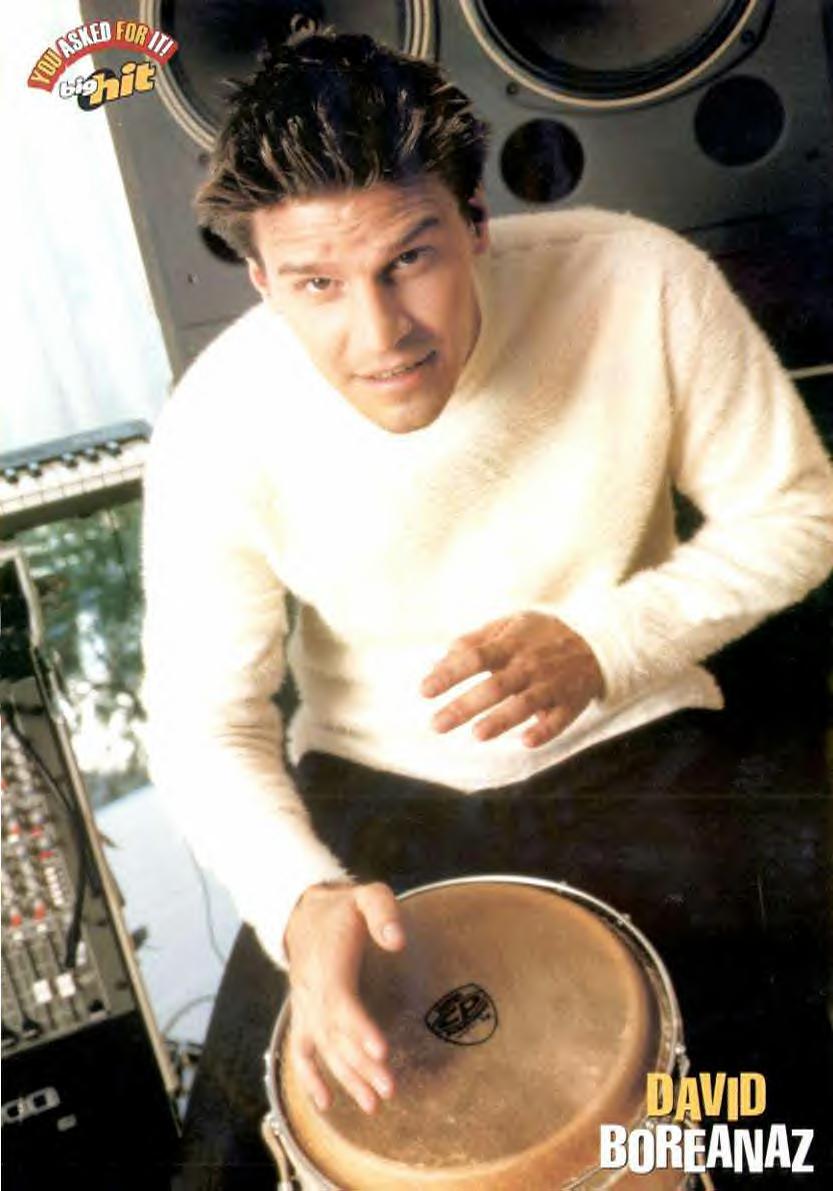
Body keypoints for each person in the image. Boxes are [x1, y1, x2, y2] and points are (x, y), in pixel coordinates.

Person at [143, 27, 833, 1186]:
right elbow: (203, 722)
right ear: (260, 280)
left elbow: (799, 513)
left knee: (767, 1121)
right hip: (373, 791)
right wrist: (297, 899)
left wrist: (607, 642)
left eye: (409, 259)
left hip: (638, 738)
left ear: (473, 222)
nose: (378, 334)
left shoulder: (638, 279)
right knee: (229, 1166)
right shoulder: (215, 424)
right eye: (316, 284)